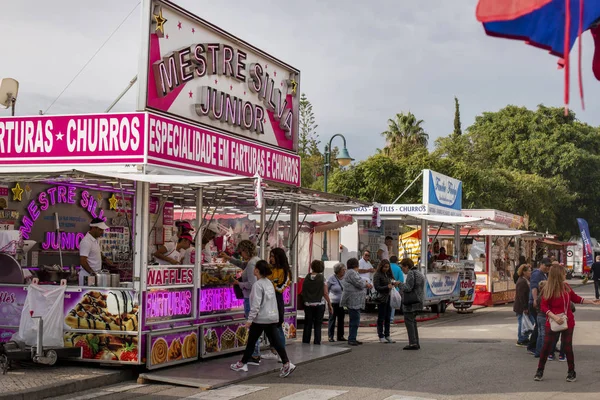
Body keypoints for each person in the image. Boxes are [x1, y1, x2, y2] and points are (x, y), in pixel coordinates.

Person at [533, 265, 600, 382]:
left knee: (567, 346)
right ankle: (540, 370)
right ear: (558, 275)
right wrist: (553, 316)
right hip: (553, 320)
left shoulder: (566, 287)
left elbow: (576, 298)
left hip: (567, 320)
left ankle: (571, 371)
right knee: (546, 345)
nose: (565, 274)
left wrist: (591, 302)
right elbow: (543, 306)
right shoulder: (548, 288)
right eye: (563, 273)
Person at [230, 260, 296, 377]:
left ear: (258, 270)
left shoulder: (257, 285)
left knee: (251, 341)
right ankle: (286, 363)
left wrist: (249, 320)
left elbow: (255, 304)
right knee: (275, 341)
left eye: (255, 268)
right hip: (270, 317)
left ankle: (243, 363)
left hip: (260, 318)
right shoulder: (268, 283)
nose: (253, 269)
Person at [221, 240, 261, 363]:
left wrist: (238, 283)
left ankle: (254, 354)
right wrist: (229, 258)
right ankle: (255, 353)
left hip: (250, 298)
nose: (241, 255)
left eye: (241, 252)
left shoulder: (251, 264)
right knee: (256, 326)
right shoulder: (255, 260)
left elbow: (251, 284)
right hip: (254, 298)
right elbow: (243, 264)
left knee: (253, 326)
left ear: (246, 251)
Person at [263, 248, 292, 361]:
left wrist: (270, 283)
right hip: (267, 300)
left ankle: (281, 353)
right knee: (269, 327)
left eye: (273, 256)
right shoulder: (269, 269)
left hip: (276, 301)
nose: (271, 259)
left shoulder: (286, 271)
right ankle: (273, 351)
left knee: (278, 327)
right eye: (270, 256)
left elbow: (281, 288)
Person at [341, 257, 373, 346]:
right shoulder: (352, 272)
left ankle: (353, 337)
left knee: (355, 320)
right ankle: (351, 338)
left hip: (355, 300)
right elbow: (359, 283)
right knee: (355, 320)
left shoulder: (352, 273)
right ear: (356, 265)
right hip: (353, 300)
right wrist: (366, 284)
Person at [301, 260, 333, 345]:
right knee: (317, 324)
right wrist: (329, 304)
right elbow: (325, 293)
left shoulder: (306, 278)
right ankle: (317, 341)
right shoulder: (322, 278)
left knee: (308, 324)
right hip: (319, 304)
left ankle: (305, 341)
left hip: (308, 304)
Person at [398, 258, 425, 350]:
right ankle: (415, 342)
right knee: (413, 322)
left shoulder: (411, 273)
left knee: (409, 322)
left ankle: (413, 343)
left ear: (407, 266)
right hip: (418, 301)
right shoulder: (419, 273)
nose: (402, 270)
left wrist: (399, 284)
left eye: (402, 268)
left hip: (411, 303)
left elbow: (408, 288)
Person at [79, 218, 114, 286]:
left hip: (95, 275)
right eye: (100, 230)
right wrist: (92, 273)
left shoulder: (96, 240)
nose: (102, 232)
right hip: (88, 276)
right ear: (93, 228)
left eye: (103, 230)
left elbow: (97, 252)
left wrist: (105, 259)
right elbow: (83, 261)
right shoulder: (86, 242)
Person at [528, 258, 551, 357]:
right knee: (539, 325)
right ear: (541, 264)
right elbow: (534, 287)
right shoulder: (537, 274)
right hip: (535, 302)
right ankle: (532, 346)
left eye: (549, 266)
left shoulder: (543, 274)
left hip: (539, 301)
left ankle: (535, 345)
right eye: (546, 265)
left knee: (538, 325)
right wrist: (535, 300)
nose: (547, 268)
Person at [373, 259, 396, 343]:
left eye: (388, 267)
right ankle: (381, 335)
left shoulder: (388, 274)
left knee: (388, 317)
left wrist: (393, 284)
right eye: (385, 267)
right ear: (381, 266)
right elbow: (377, 287)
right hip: (382, 299)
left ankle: (387, 335)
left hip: (389, 297)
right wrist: (387, 287)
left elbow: (391, 282)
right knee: (381, 317)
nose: (386, 269)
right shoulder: (377, 275)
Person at [514, 264, 534, 347]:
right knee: (522, 323)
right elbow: (521, 296)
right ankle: (521, 339)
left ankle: (524, 337)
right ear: (524, 272)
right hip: (521, 307)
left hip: (525, 306)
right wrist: (525, 307)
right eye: (529, 271)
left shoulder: (526, 280)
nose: (530, 272)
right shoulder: (521, 281)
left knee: (527, 322)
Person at [327, 262, 347, 342]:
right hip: (333, 302)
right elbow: (326, 290)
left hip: (342, 302)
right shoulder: (331, 278)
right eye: (343, 270)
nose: (344, 271)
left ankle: (340, 336)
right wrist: (328, 302)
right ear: (338, 270)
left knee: (341, 319)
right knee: (332, 319)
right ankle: (330, 336)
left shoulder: (345, 278)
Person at [389, 256, 405, 323]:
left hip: (386, 288)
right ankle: (391, 319)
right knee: (393, 304)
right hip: (395, 289)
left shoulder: (387, 266)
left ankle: (385, 318)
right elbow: (401, 280)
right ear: (396, 261)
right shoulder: (398, 269)